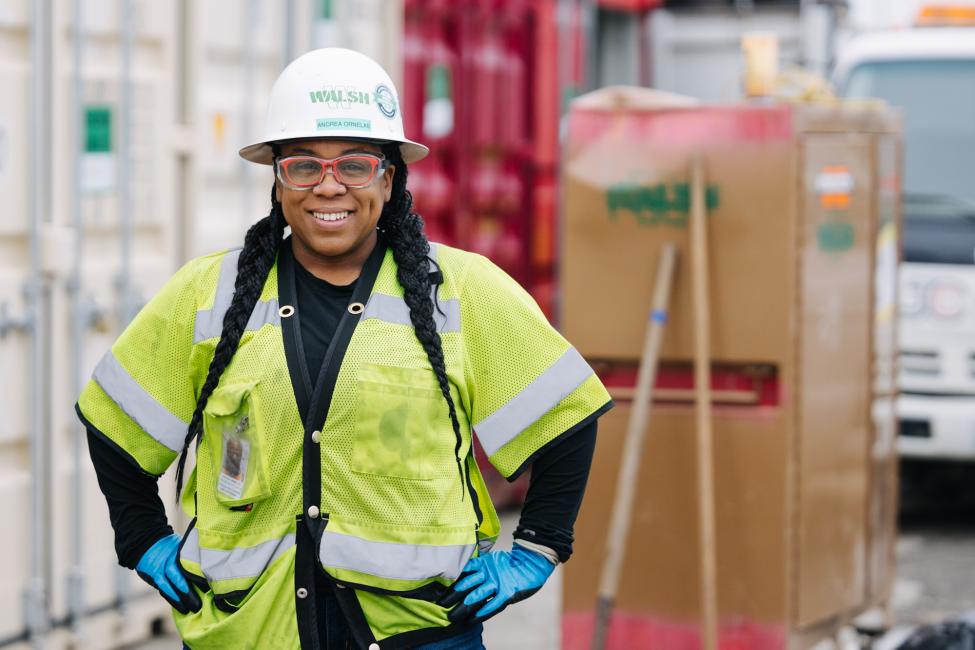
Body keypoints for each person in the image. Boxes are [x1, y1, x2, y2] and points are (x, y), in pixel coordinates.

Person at [76, 48, 612, 649]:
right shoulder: (208, 296)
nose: (329, 187)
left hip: (420, 635)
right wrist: (141, 537)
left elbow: (564, 418)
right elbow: (114, 420)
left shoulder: (460, 292)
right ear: (277, 180)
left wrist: (538, 548)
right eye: (304, 166)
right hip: (251, 633)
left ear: (388, 178)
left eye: (354, 166)